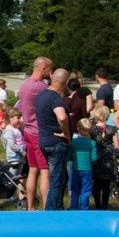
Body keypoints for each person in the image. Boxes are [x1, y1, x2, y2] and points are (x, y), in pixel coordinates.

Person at [16, 57, 53, 210]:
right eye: (49, 69)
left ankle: (30, 206)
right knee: (45, 172)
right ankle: (46, 207)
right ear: (43, 68)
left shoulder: (25, 85)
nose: (50, 72)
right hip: (39, 132)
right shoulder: (41, 87)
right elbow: (55, 95)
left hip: (28, 130)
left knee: (32, 170)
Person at [35, 68, 71, 211]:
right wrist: (66, 133)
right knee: (57, 179)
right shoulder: (56, 98)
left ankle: (58, 207)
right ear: (65, 83)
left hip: (44, 140)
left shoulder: (41, 95)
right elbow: (62, 116)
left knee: (61, 177)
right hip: (56, 143)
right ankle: (52, 212)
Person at [89, 105, 117, 210]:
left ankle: (97, 205)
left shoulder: (92, 129)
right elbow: (117, 145)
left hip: (96, 156)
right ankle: (105, 205)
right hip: (108, 157)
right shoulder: (112, 129)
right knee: (106, 183)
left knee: (96, 182)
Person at [69, 118, 96, 210]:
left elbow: (70, 155)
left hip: (76, 169)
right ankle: (84, 208)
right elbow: (94, 158)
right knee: (86, 190)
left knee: (75, 190)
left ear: (78, 129)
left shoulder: (74, 142)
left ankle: (74, 208)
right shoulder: (92, 143)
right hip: (87, 170)